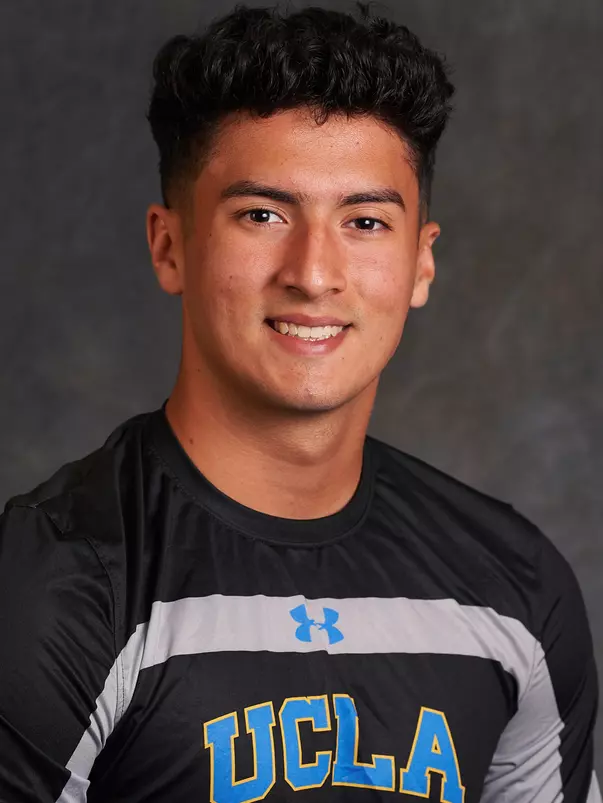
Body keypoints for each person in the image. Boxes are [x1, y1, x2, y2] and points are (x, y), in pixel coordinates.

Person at [0, 3, 599, 801]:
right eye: (262, 214)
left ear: (420, 264)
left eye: (365, 221)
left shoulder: (514, 588)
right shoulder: (55, 585)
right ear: (168, 244)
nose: (313, 272)